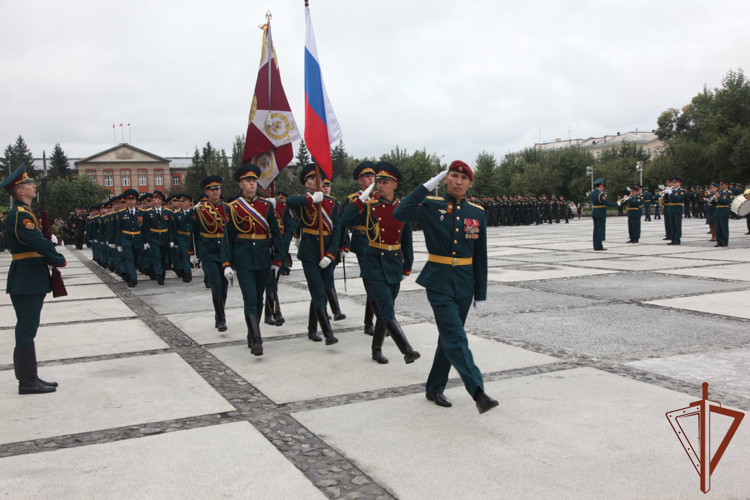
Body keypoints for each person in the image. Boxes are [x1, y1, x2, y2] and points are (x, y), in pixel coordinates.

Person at [393, 160, 498, 414]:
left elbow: (480, 256)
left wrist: (480, 292)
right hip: (438, 280)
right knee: (455, 336)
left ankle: (434, 387)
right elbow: (400, 213)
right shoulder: (430, 205)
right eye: (453, 176)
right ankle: (478, 391)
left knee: (449, 338)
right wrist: (427, 186)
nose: (458, 181)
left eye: (464, 178)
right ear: (446, 180)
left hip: (465, 283)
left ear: (470, 183)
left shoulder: (477, 212)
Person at [342, 161, 418, 365]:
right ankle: (407, 350)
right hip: (374, 263)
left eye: (385, 182)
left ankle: (376, 349)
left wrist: (407, 266)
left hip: (394, 263)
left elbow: (406, 240)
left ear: (395, 185)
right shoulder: (368, 206)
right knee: (386, 307)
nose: (380, 185)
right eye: (378, 181)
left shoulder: (402, 209)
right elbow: (344, 220)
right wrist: (360, 199)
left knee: (387, 309)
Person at [2, 165, 67, 395]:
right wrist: (57, 258)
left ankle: (31, 377)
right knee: (26, 329)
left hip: (28, 275)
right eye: (29, 184)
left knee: (28, 328)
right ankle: (27, 382)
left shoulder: (23, 212)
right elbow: (37, 241)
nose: (33, 186)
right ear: (20, 191)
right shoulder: (20, 214)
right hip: (27, 277)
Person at [221, 164, 284, 356]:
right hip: (244, 258)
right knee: (249, 298)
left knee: (259, 300)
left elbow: (276, 234)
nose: (252, 183)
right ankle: (257, 340)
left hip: (263, 257)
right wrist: (226, 264)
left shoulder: (267, 205)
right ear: (241, 184)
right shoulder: (232, 208)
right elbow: (227, 238)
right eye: (248, 181)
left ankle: (251, 333)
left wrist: (278, 260)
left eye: (254, 180)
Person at [286, 164, 342, 345]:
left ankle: (312, 329)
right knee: (318, 291)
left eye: (317, 178)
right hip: (309, 252)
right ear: (305, 184)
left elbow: (338, 231)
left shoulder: (333, 203)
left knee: (321, 293)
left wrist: (331, 254)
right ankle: (328, 333)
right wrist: (312, 200)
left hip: (327, 252)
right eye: (310, 179)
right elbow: (290, 202)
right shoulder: (303, 200)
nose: (315, 181)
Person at [345, 161, 379, 335]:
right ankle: (373, 323)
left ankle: (370, 322)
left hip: (380, 243)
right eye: (366, 176)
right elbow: (345, 221)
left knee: (378, 285)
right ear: (360, 180)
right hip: (363, 243)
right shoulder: (353, 199)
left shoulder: (381, 197)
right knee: (371, 284)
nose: (371, 178)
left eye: (372, 175)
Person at [194, 176, 230, 331]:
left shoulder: (228, 208)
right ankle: (221, 318)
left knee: (224, 285)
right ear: (207, 192)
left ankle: (219, 313)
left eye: (218, 189)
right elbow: (194, 233)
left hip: (224, 250)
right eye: (212, 189)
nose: (216, 192)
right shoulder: (198, 210)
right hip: (208, 251)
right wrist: (192, 252)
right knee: (215, 283)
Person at [263, 189, 297, 326]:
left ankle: (270, 313)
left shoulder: (283, 206)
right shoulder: (251, 206)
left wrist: (281, 245)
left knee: (273, 282)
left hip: (278, 249)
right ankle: (275, 313)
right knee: (268, 282)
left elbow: (290, 228)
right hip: (261, 249)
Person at [115, 189, 147, 287]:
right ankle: (133, 278)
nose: (131, 201)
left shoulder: (141, 213)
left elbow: (143, 228)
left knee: (137, 259)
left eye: (133, 199)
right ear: (126, 201)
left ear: (136, 200)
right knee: (129, 259)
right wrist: (118, 243)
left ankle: (131, 274)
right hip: (126, 239)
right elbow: (118, 229)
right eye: (129, 199)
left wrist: (146, 241)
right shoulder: (121, 213)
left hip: (138, 239)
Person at [143, 190, 173, 285]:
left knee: (163, 257)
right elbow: (146, 228)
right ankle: (158, 274)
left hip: (164, 237)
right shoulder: (148, 212)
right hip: (153, 237)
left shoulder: (167, 212)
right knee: (156, 256)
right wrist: (146, 241)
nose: (154, 200)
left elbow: (170, 227)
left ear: (161, 200)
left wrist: (171, 240)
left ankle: (162, 275)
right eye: (154, 198)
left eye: (156, 198)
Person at [589, 179, 619, 251]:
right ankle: (599, 246)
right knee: (600, 229)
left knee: (595, 229)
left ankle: (596, 245)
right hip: (600, 212)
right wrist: (617, 204)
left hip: (595, 211)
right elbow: (607, 203)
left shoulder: (592, 193)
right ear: (601, 185)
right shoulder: (600, 194)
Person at [173, 194, 194, 283]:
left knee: (191, 255)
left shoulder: (193, 212)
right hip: (181, 236)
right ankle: (187, 272)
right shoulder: (176, 214)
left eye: (184, 201)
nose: (181, 203)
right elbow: (174, 228)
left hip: (191, 237)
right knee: (185, 255)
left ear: (189, 202)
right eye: (180, 201)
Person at [713, 180, 734, 247]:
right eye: (721, 185)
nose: (721, 186)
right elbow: (715, 202)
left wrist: (719, 198)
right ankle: (719, 241)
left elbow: (728, 202)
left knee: (724, 228)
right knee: (718, 228)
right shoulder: (720, 192)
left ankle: (725, 242)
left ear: (726, 185)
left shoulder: (729, 193)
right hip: (718, 211)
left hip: (724, 211)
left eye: (722, 185)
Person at [666, 177, 686, 245]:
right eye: (673, 183)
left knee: (677, 225)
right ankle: (673, 239)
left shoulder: (681, 191)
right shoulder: (673, 190)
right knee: (672, 225)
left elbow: (677, 199)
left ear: (679, 183)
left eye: (675, 183)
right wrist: (666, 193)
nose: (674, 184)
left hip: (677, 210)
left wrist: (671, 193)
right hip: (671, 209)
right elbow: (667, 200)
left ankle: (677, 239)